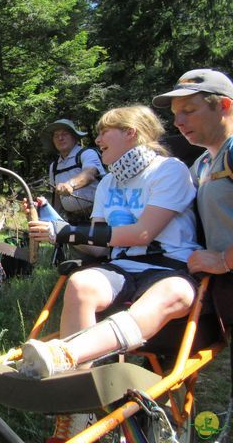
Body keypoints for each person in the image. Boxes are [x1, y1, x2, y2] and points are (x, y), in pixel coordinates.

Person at [17, 106, 202, 442]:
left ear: (130, 132)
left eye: (105, 131)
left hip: (169, 266)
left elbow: (144, 233)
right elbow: (100, 249)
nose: (98, 139)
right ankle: (77, 414)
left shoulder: (169, 170)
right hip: (122, 266)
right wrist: (55, 224)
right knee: (81, 282)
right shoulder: (108, 184)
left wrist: (71, 232)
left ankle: (66, 355)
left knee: (173, 292)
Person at [152, 68, 233, 326]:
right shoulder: (203, 163)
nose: (177, 122)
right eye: (175, 114)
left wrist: (224, 260)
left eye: (188, 110)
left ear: (224, 105)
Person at [40, 119, 106, 224]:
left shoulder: (87, 154)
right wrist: (53, 220)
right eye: (56, 136)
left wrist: (70, 185)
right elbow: (56, 195)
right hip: (71, 219)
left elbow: (90, 174)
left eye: (64, 134)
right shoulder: (54, 166)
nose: (60, 138)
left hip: (98, 216)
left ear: (74, 137)